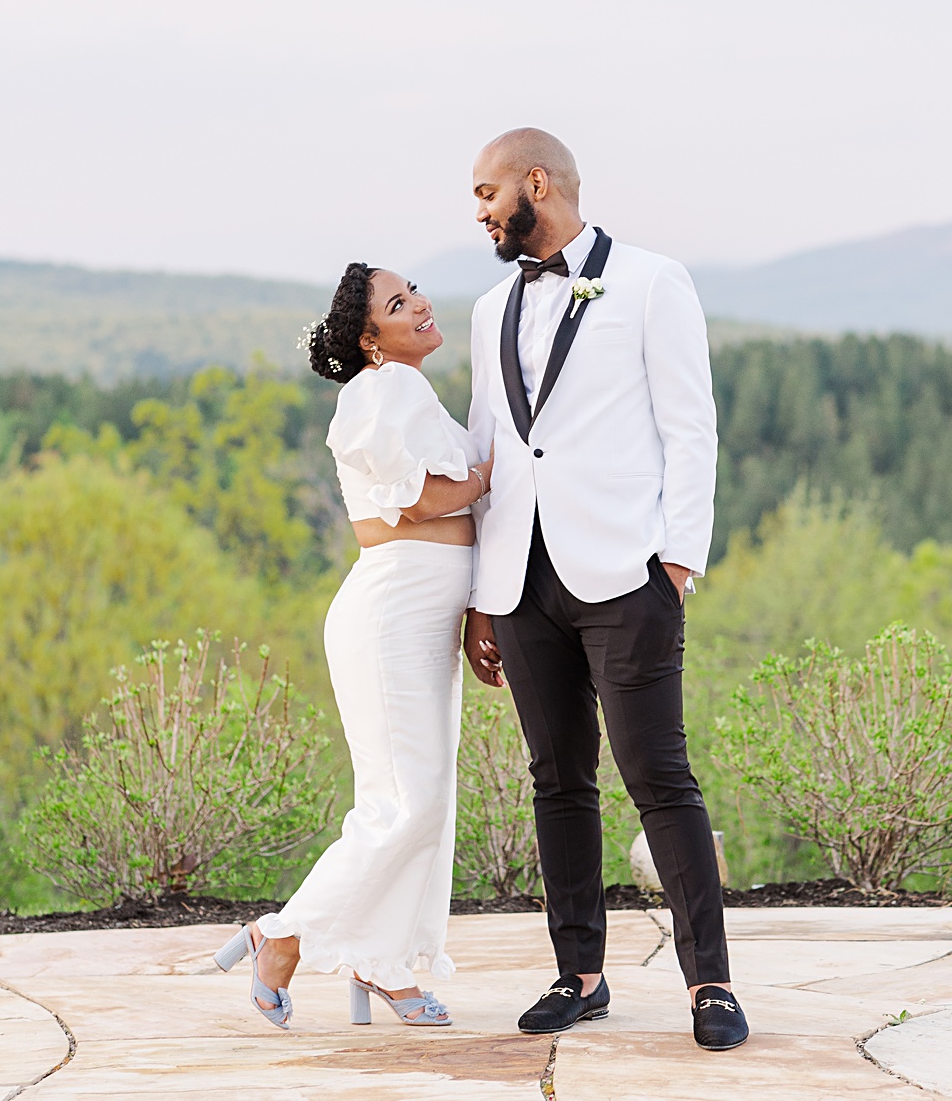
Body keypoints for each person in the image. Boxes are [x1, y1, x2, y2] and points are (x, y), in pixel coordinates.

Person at [463, 128, 748, 1052]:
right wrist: (481, 590)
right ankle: (579, 975)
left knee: (659, 778)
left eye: (485, 193)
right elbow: (488, 447)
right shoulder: (485, 309)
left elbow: (690, 427)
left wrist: (676, 560)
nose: (478, 214)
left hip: (626, 575)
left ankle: (711, 986)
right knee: (558, 782)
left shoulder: (653, 282)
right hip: (521, 579)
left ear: (534, 183)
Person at [213, 262, 491, 1031]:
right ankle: (281, 935)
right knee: (413, 802)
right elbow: (417, 499)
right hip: (392, 612)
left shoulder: (407, 387)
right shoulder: (385, 389)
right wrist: (493, 476)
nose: (420, 306)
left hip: (418, 614)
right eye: (398, 306)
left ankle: (387, 963)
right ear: (372, 341)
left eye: (415, 291)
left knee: (416, 805)